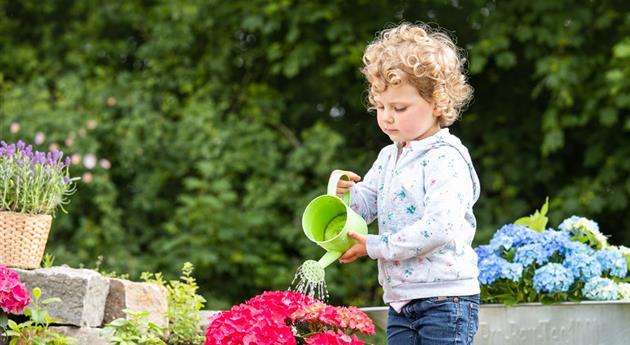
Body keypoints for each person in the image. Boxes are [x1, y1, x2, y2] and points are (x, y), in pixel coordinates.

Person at [335, 22, 481, 345]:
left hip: (445, 301)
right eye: (381, 107)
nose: (387, 117)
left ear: (437, 103)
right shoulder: (389, 156)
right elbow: (366, 205)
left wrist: (374, 246)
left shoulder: (446, 158)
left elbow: (439, 228)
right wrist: (344, 194)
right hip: (401, 302)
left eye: (399, 108)